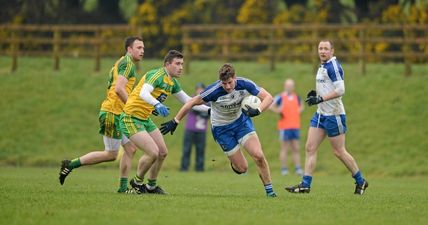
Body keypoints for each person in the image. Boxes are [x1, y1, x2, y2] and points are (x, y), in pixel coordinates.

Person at [160, 63, 277, 197]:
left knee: (259, 156)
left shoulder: (245, 84)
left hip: (241, 123)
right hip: (222, 130)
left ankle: (270, 192)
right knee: (242, 168)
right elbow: (191, 102)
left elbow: (269, 98)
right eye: (224, 83)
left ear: (235, 78)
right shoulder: (213, 91)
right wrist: (175, 121)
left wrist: (258, 110)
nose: (227, 86)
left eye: (229, 82)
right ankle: (234, 162)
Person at [58, 37, 144, 193]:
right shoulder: (127, 64)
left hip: (119, 113)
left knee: (130, 149)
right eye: (138, 47)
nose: (142, 51)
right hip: (113, 113)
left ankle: (123, 189)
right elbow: (119, 89)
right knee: (111, 154)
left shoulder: (121, 62)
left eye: (143, 48)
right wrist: (132, 106)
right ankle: (70, 164)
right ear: (129, 49)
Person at [285, 40, 369, 195]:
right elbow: (327, 88)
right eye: (320, 48)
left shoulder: (333, 66)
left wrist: (321, 99)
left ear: (332, 51)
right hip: (320, 114)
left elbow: (341, 90)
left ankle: (360, 180)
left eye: (325, 49)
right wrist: (316, 96)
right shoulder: (322, 66)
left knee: (339, 151)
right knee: (310, 148)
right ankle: (305, 184)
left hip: (334, 115)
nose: (322, 51)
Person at [119, 50, 209, 194]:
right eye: (177, 64)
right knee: (153, 152)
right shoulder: (157, 75)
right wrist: (157, 104)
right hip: (130, 117)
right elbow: (143, 93)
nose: (181, 67)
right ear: (167, 64)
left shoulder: (172, 82)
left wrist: (210, 110)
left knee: (162, 152)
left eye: (182, 64)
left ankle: (151, 186)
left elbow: (189, 101)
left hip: (144, 119)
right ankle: (136, 182)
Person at [270, 78, 304, 176]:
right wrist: (278, 110)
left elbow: (301, 106)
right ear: (285, 86)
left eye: (291, 86)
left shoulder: (296, 97)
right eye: (288, 85)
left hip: (295, 126)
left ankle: (298, 168)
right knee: (284, 148)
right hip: (284, 127)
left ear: (293, 87)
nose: (289, 87)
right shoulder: (280, 97)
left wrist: (299, 110)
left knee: (296, 148)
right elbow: (271, 105)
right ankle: (284, 169)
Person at [180, 82, 210, 172]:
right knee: (186, 149)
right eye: (198, 89)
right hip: (190, 128)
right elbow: (194, 109)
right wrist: (203, 112)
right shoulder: (192, 99)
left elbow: (209, 114)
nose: (199, 91)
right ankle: (184, 168)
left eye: (201, 89)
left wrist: (204, 113)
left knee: (200, 150)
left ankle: (199, 168)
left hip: (201, 130)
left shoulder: (207, 101)